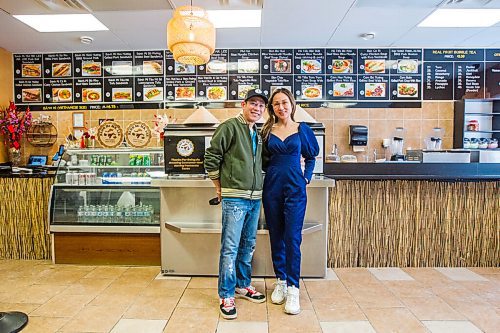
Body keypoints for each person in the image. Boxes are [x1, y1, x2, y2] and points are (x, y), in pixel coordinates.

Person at [204, 89, 268, 319]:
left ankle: (242, 284)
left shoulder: (257, 133)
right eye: (253, 103)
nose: (257, 108)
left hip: (254, 198)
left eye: (261, 105)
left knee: (248, 245)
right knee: (230, 248)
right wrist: (218, 187)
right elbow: (211, 157)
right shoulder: (229, 127)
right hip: (234, 198)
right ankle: (226, 294)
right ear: (243, 104)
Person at [261, 88, 319, 315]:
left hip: (296, 189)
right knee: (276, 236)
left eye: (284, 102)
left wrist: (306, 177)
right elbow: (263, 161)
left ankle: (294, 289)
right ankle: (281, 282)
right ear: (271, 108)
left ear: (292, 104)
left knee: (292, 238)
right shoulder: (266, 130)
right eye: (276, 104)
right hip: (272, 188)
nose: (281, 107)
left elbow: (311, 157)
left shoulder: (302, 129)